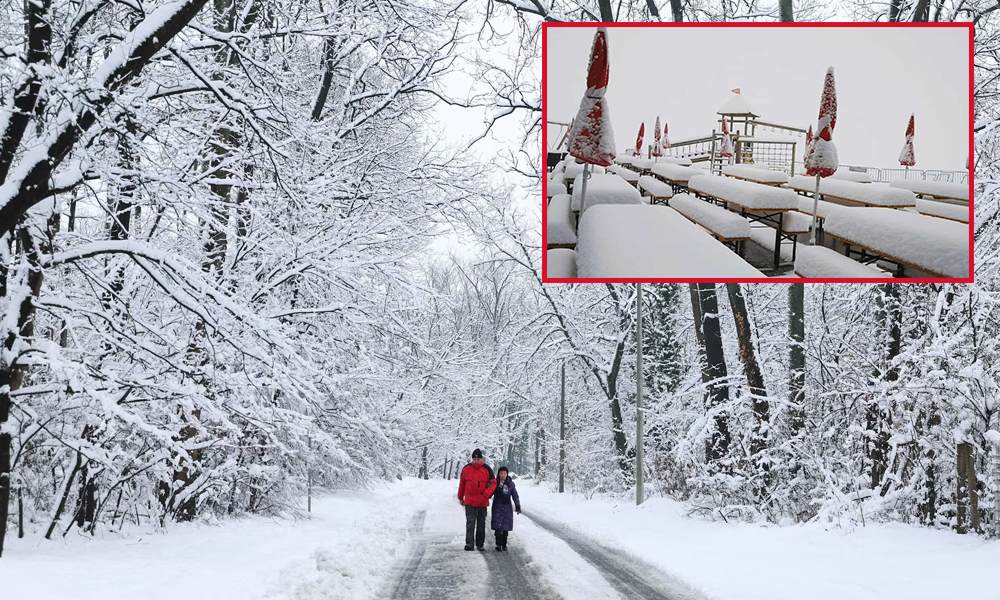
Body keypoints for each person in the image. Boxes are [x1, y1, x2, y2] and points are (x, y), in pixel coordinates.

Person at [457, 448, 495, 551]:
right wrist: (460, 497)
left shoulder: (487, 469)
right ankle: (469, 544)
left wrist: (486, 495)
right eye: (474, 459)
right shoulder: (466, 469)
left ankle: (480, 544)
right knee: (470, 522)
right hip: (469, 501)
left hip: (482, 501)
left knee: (481, 524)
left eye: (478, 459)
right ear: (472, 459)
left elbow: (493, 483)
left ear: (481, 459)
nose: (476, 461)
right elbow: (462, 484)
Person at [490, 466, 520, 551]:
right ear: (498, 474)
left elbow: (515, 495)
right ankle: (498, 544)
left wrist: (517, 506)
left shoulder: (510, 484)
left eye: (504, 473)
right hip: (497, 506)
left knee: (505, 527)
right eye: (501, 473)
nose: (503, 475)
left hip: (507, 508)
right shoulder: (495, 483)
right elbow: (489, 493)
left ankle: (504, 544)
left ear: (507, 474)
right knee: (497, 527)